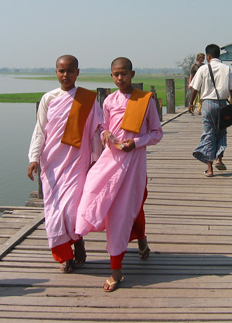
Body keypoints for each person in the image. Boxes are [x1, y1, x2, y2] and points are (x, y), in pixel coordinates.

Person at [75, 57, 163, 292]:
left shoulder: (145, 100)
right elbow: (105, 126)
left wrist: (136, 142)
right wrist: (105, 135)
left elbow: (156, 133)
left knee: (125, 210)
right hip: (110, 161)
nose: (120, 78)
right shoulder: (110, 100)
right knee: (92, 193)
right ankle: (141, 241)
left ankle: (116, 272)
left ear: (132, 74)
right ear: (111, 76)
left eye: (124, 74)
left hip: (133, 163)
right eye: (115, 74)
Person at [27, 55, 103, 274]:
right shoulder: (49, 98)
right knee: (54, 210)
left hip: (78, 162)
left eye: (70, 71)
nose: (65, 75)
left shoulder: (88, 99)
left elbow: (97, 132)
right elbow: (40, 130)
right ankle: (64, 255)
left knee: (71, 209)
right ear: (56, 72)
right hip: (51, 162)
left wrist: (96, 161)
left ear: (78, 72)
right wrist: (33, 158)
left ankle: (77, 240)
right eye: (61, 71)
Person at [188, 44, 232, 177]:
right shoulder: (227, 69)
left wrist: (191, 104)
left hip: (207, 104)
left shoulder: (203, 69)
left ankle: (210, 168)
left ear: (208, 56)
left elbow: (195, 88)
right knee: (222, 132)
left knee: (209, 133)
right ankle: (219, 159)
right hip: (223, 104)